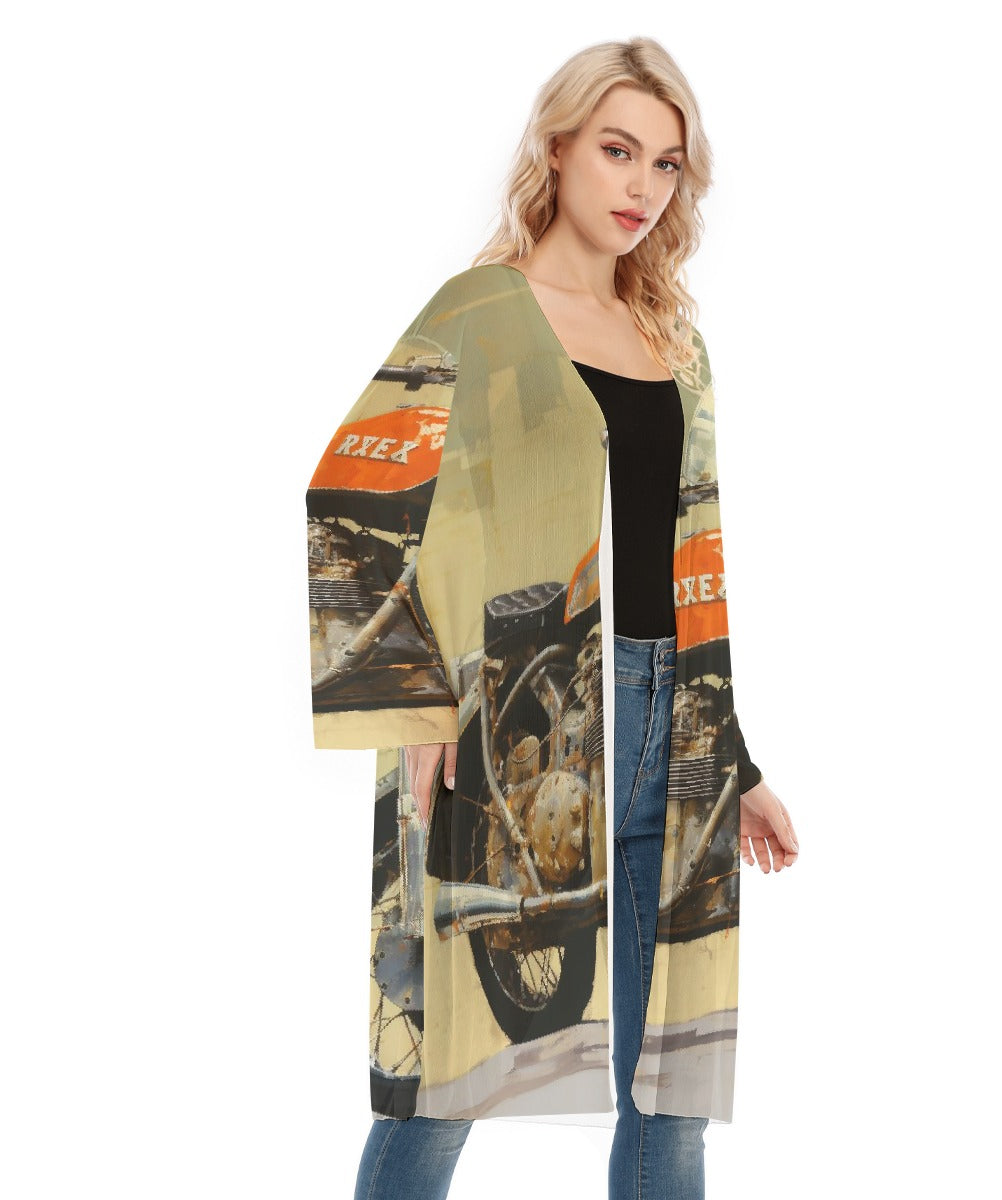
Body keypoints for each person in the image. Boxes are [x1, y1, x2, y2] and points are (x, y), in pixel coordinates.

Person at [307, 36, 800, 1200]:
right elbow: (348, 505)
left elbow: (685, 558)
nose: (643, 187)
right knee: (455, 1076)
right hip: (516, 720)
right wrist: (417, 704)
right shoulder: (479, 315)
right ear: (559, 147)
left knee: (670, 1086)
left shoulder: (673, 344)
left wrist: (733, 759)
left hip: (668, 720)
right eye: (619, 151)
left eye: (667, 165)